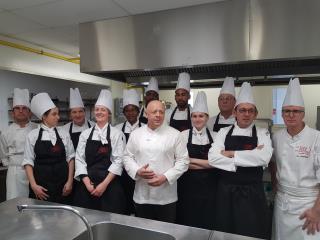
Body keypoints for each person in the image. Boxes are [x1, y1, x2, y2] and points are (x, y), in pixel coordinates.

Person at [208, 82, 273, 239]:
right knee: (225, 232)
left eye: (251, 111)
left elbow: (263, 157)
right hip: (226, 193)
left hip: (253, 194)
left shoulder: (263, 133)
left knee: (251, 232)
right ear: (235, 112)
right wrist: (251, 154)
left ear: (255, 114)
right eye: (242, 110)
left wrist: (230, 153)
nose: (246, 114)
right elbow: (212, 158)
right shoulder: (223, 132)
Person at [123, 100, 189, 223]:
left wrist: (165, 177)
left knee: (166, 232)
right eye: (154, 112)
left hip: (166, 196)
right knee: (144, 233)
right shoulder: (136, 134)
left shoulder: (175, 134)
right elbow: (127, 157)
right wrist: (137, 171)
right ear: (146, 114)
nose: (158, 115)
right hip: (142, 194)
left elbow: (183, 161)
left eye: (161, 112)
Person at [271, 78, 320, 240]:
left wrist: (316, 210)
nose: (291, 115)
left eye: (296, 111)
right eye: (286, 111)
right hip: (282, 203)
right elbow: (273, 164)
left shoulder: (316, 138)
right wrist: (275, 187)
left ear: (303, 113)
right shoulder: (277, 137)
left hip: (309, 205)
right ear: (281, 113)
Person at [74, 89, 126, 214]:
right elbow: (79, 159)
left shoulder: (116, 134)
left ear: (109, 113)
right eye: (97, 109)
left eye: (103, 109)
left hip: (109, 184)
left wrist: (103, 185)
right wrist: (87, 183)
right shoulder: (85, 134)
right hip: (88, 185)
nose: (99, 112)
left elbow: (118, 161)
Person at [22, 93, 75, 203]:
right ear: (44, 117)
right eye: (54, 114)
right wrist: (34, 186)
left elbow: (71, 158)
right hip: (41, 188)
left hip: (63, 185)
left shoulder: (64, 134)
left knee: (65, 217)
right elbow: (28, 162)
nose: (58, 117)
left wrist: (70, 182)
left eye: (58, 114)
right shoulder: (33, 135)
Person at [177, 91, 217, 229]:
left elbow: (219, 163)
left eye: (201, 116)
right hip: (187, 187)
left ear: (207, 118)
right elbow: (181, 163)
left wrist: (190, 161)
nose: (197, 119)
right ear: (191, 118)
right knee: (188, 219)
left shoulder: (216, 136)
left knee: (207, 220)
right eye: (194, 116)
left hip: (210, 188)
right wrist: (209, 164)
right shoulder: (182, 135)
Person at [0, 88, 37, 200]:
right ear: (12, 113)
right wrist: (14, 164)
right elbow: (3, 155)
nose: (21, 111)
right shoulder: (5, 132)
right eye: (17, 108)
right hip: (14, 172)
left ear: (29, 112)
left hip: (35, 170)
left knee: (34, 201)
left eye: (24, 108)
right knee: (14, 202)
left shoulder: (37, 128)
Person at [116, 89, 144, 215]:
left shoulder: (145, 128)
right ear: (123, 113)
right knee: (125, 201)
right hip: (123, 172)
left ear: (138, 111)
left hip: (141, 169)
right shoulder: (117, 129)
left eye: (133, 109)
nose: (130, 113)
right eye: (127, 110)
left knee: (139, 202)